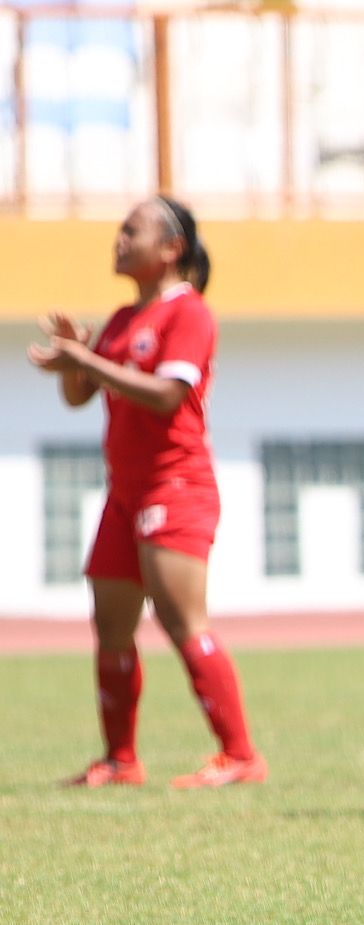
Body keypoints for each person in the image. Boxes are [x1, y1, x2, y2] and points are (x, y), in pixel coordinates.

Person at [28, 197, 264, 790]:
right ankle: (120, 759)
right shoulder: (121, 318)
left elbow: (166, 396)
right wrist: (76, 362)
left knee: (182, 619)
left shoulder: (189, 314)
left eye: (131, 231)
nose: (119, 240)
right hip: (125, 491)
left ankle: (240, 756)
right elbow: (82, 397)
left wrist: (88, 361)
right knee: (110, 623)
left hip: (176, 484)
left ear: (171, 249)